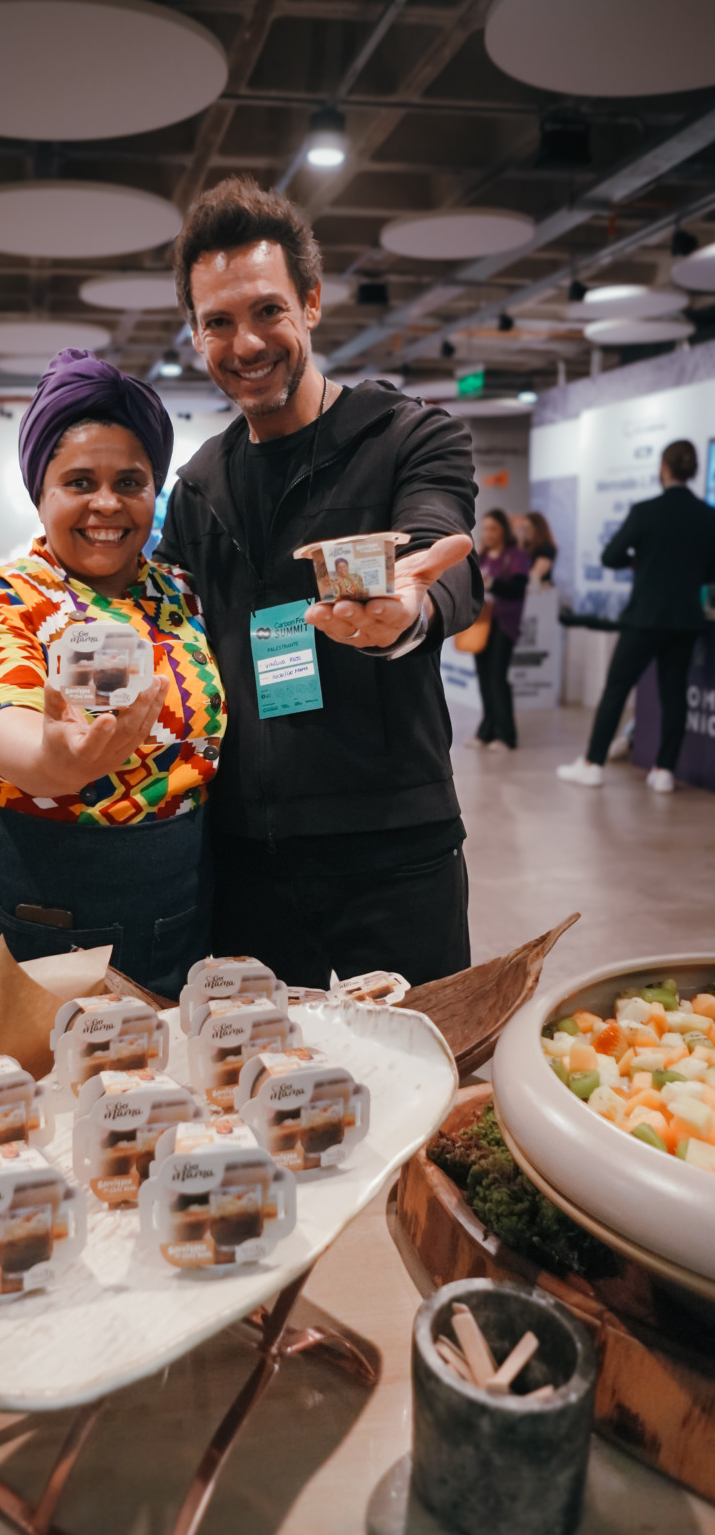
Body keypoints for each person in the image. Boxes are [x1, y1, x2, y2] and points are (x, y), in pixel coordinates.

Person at [156, 177, 480, 989]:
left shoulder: (407, 439)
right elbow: (157, 628)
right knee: (256, 1064)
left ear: (310, 303)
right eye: (217, 322)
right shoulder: (198, 489)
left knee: (423, 1052)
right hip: (246, 857)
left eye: (267, 310)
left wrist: (407, 611)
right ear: (195, 334)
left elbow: (439, 551)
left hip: (395, 845)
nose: (245, 343)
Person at [0, 350, 226, 994]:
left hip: (176, 905)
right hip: (30, 904)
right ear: (41, 495)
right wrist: (53, 762)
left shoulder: (184, 596)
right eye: (80, 482)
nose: (107, 504)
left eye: (131, 482)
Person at [558, 439, 715, 794]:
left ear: (664, 467)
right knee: (674, 694)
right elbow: (710, 572)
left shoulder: (646, 511)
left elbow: (610, 556)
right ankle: (664, 771)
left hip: (644, 617)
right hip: (685, 619)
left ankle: (593, 764)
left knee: (616, 689)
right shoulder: (708, 516)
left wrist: (639, 562)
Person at [467, 509, 530, 754]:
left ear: (503, 530)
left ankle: (506, 735)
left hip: (504, 623)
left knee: (497, 677)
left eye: (493, 528)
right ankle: (487, 730)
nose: (488, 533)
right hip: (482, 624)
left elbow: (518, 588)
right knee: (484, 678)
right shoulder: (482, 556)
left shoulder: (516, 555)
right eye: (485, 528)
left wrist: (492, 583)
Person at [520, 511, 557, 585]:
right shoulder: (525, 548)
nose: (525, 532)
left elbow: (536, 574)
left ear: (537, 528)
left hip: (539, 589)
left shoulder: (547, 549)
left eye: (528, 528)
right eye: (523, 529)